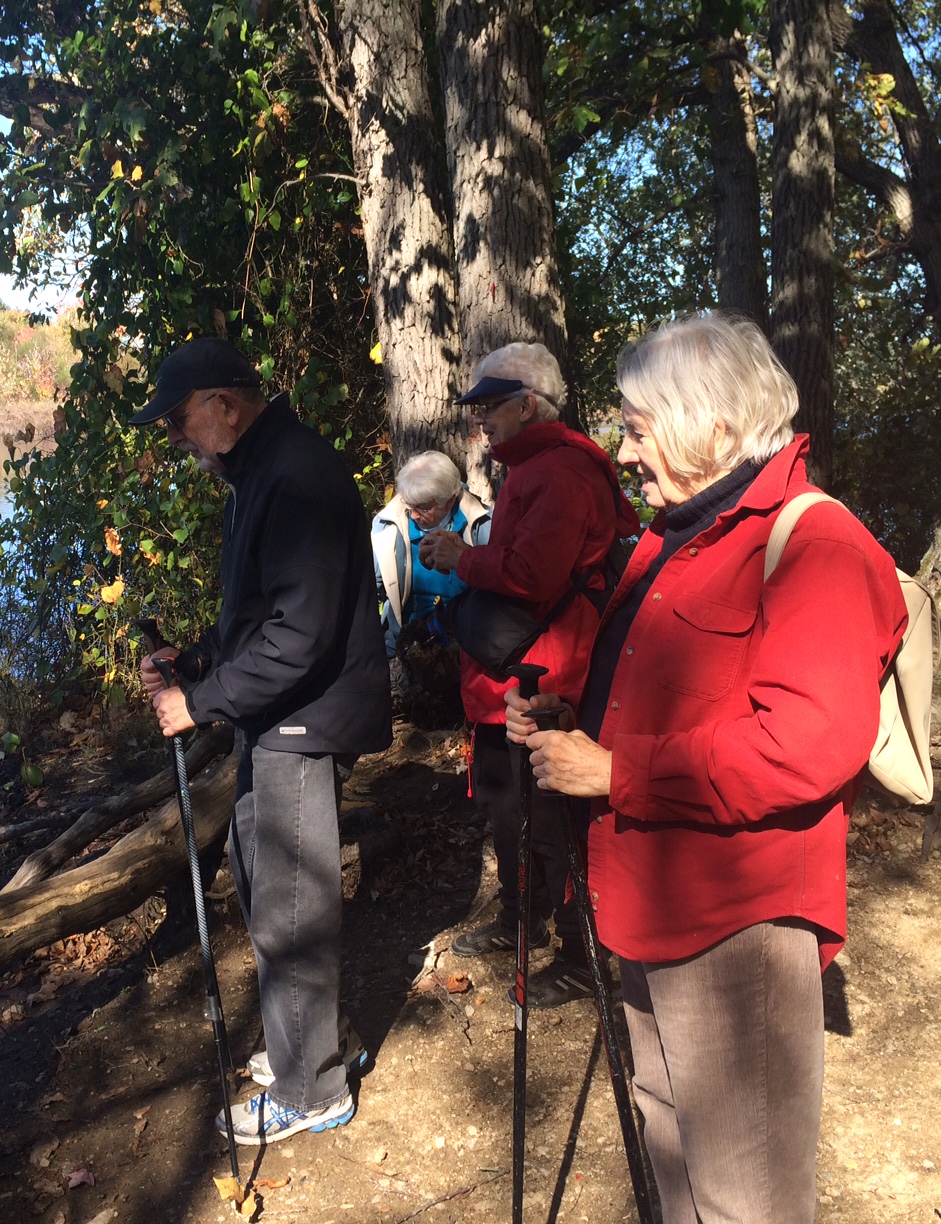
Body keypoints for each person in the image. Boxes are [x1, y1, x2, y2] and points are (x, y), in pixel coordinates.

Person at [510, 313, 909, 1223]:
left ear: (713, 426)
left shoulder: (819, 543)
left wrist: (615, 774)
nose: (624, 446)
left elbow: (804, 744)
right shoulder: (685, 533)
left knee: (746, 1194)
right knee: (670, 1140)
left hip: (738, 924)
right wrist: (573, 724)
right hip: (648, 900)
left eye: (639, 425)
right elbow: (672, 692)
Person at [130, 336, 391, 1144]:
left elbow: (299, 638)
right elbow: (257, 618)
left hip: (301, 724)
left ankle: (314, 1090)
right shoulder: (258, 471)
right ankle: (303, 1046)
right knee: (259, 877)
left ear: (224, 406)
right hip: (275, 719)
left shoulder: (295, 474)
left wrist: (198, 702)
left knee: (291, 903)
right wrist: (196, 658)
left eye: (178, 421)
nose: (175, 438)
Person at [420, 341, 638, 1007]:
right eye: (477, 405)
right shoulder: (536, 467)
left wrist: (463, 557)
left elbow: (534, 576)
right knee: (508, 808)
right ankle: (523, 922)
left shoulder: (561, 472)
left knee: (548, 819)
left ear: (527, 403)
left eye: (490, 404)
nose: (479, 417)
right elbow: (527, 561)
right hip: (516, 670)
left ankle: (578, 953)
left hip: (549, 674)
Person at [370, 450, 491, 656]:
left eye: (424, 508)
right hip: (402, 646)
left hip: (468, 646)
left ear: (450, 501)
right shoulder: (388, 526)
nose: (414, 515)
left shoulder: (482, 525)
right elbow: (370, 589)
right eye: (409, 506)